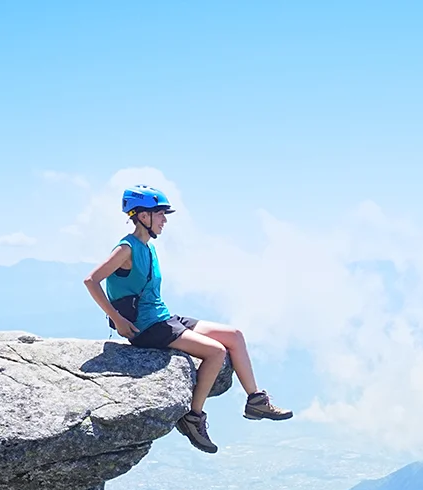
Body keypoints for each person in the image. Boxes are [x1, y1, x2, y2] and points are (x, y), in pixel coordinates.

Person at [84, 186, 290, 453]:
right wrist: (117, 319)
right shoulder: (126, 249)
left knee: (234, 336)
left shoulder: (148, 248)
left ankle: (256, 401)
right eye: (160, 214)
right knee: (216, 352)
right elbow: (91, 280)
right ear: (143, 216)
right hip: (147, 328)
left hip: (163, 318)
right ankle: (193, 417)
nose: (164, 220)